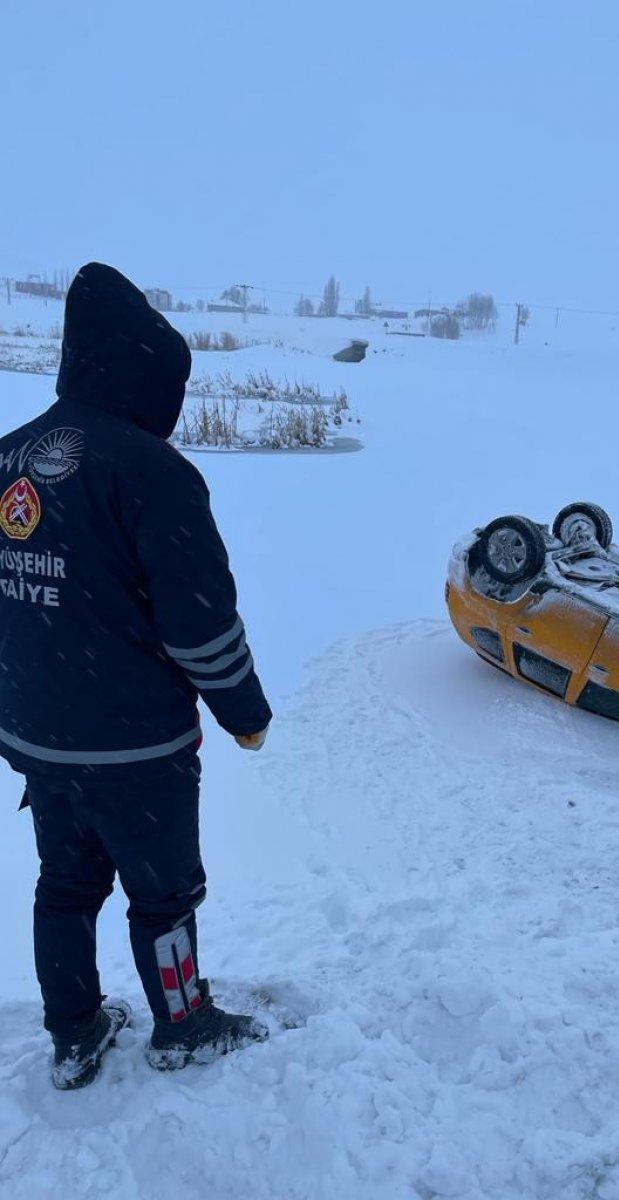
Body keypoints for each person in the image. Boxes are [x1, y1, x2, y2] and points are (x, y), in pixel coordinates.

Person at [0, 263, 273, 1089]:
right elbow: (198, 621)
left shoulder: (9, 459)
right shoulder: (153, 472)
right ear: (145, 374)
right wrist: (244, 712)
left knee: (66, 883)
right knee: (164, 893)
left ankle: (74, 1032)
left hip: (40, 739)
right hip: (136, 750)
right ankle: (182, 1023)